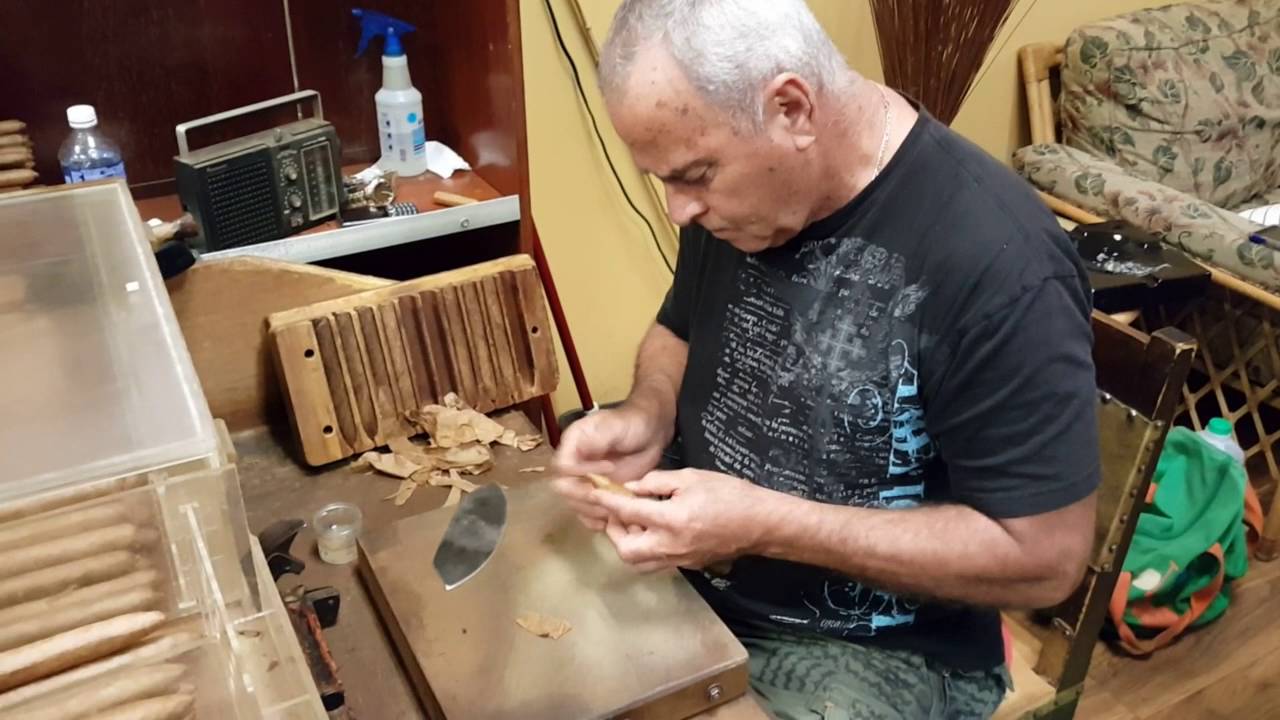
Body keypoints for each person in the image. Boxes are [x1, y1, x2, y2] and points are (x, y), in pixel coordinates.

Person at [551, 1, 1100, 717]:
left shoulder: (1000, 263)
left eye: (692, 175)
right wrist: (646, 415)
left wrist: (767, 525)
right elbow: (677, 330)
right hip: (708, 577)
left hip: (879, 648)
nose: (678, 210)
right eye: (663, 179)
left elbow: (1046, 559)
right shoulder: (737, 193)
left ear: (791, 108)